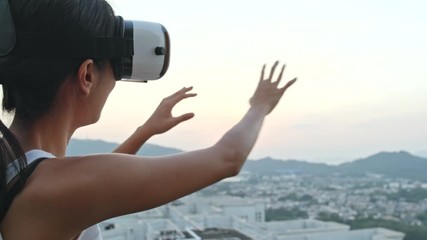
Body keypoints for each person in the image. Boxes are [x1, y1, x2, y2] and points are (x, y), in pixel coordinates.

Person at [0, 0, 297, 239]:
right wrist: (260, 105)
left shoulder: (15, 163)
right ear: (87, 75)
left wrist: (145, 131)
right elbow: (227, 158)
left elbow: (93, 183)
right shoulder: (54, 185)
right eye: (114, 70)